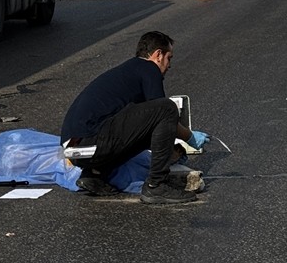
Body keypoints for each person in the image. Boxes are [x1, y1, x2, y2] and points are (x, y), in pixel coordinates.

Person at [60, 31, 209, 204]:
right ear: (158, 55)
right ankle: (156, 186)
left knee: (149, 125)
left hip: (75, 149)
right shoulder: (148, 68)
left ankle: (95, 174)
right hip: (89, 142)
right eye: (169, 58)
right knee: (167, 107)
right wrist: (190, 137)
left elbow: (145, 127)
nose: (169, 65)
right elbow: (164, 112)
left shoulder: (129, 71)